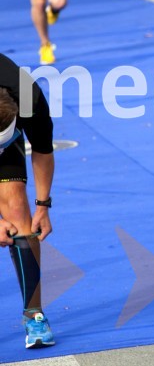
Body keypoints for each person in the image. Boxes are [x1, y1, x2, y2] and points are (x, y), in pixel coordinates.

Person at [0, 53, 56, 349]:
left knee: (16, 208)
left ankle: (34, 314)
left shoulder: (29, 97)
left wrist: (43, 206)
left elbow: (43, 151)